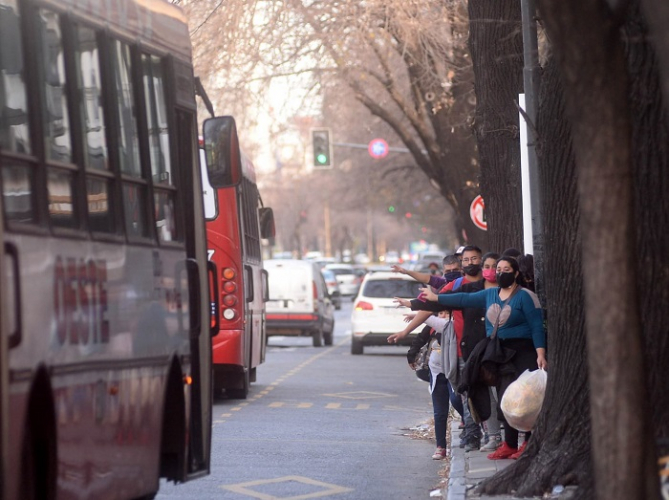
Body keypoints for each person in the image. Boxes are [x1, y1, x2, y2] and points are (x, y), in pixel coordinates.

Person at [418, 256, 547, 460]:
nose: (501, 273)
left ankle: (528, 444)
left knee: (526, 400)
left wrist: (540, 353)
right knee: (505, 401)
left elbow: (536, 326)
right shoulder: (490, 294)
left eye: (506, 270)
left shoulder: (526, 297)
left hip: (524, 352)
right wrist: (436, 298)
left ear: (515, 273)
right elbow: (463, 299)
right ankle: (510, 445)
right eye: (499, 269)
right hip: (500, 353)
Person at [390, 246, 485, 451]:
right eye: (466, 260)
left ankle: (489, 433)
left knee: (483, 393)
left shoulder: (488, 284)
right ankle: (472, 433)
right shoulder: (454, 285)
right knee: (463, 393)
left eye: (474, 259)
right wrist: (405, 331)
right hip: (460, 348)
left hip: (486, 346)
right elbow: (429, 306)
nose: (469, 264)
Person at [405, 311, 459, 460]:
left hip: (454, 373)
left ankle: (472, 428)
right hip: (436, 372)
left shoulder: (455, 325)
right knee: (439, 412)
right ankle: (440, 447)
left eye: (445, 314)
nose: (441, 317)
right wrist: (411, 355)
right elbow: (420, 339)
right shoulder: (433, 327)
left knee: (456, 400)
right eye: (439, 313)